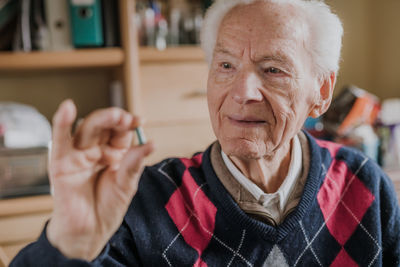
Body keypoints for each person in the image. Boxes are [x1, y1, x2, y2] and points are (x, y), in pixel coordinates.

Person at [11, 0, 400, 266]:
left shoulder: (364, 185)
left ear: (322, 92)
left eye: (273, 69)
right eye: (226, 65)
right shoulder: (144, 200)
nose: (242, 92)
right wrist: (70, 243)